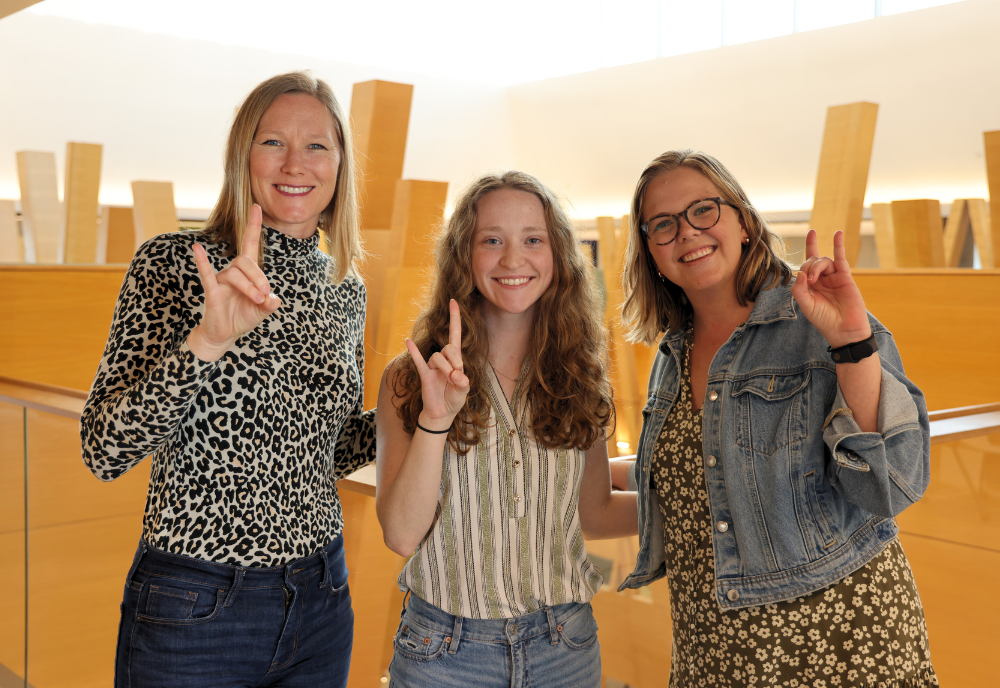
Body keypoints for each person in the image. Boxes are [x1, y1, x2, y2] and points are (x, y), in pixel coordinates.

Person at [81, 71, 373, 688]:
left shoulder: (346, 288)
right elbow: (103, 449)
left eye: (317, 145)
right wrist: (207, 342)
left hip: (321, 596)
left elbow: (327, 451)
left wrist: (409, 407)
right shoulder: (175, 264)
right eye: (273, 142)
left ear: (340, 163)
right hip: (195, 602)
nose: (296, 163)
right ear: (242, 154)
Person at [616, 150, 937, 687]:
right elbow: (701, 474)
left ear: (742, 220)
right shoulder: (671, 356)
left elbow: (894, 485)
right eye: (663, 225)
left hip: (836, 645)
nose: (687, 233)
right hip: (713, 647)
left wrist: (851, 345)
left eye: (703, 210)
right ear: (650, 249)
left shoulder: (820, 319)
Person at [374, 171, 638, 688]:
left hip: (565, 646)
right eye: (491, 240)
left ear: (558, 256)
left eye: (533, 240)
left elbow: (594, 511)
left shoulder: (583, 376)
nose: (513, 260)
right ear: (463, 257)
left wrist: (700, 501)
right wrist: (435, 420)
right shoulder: (410, 377)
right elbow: (402, 534)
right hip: (443, 653)